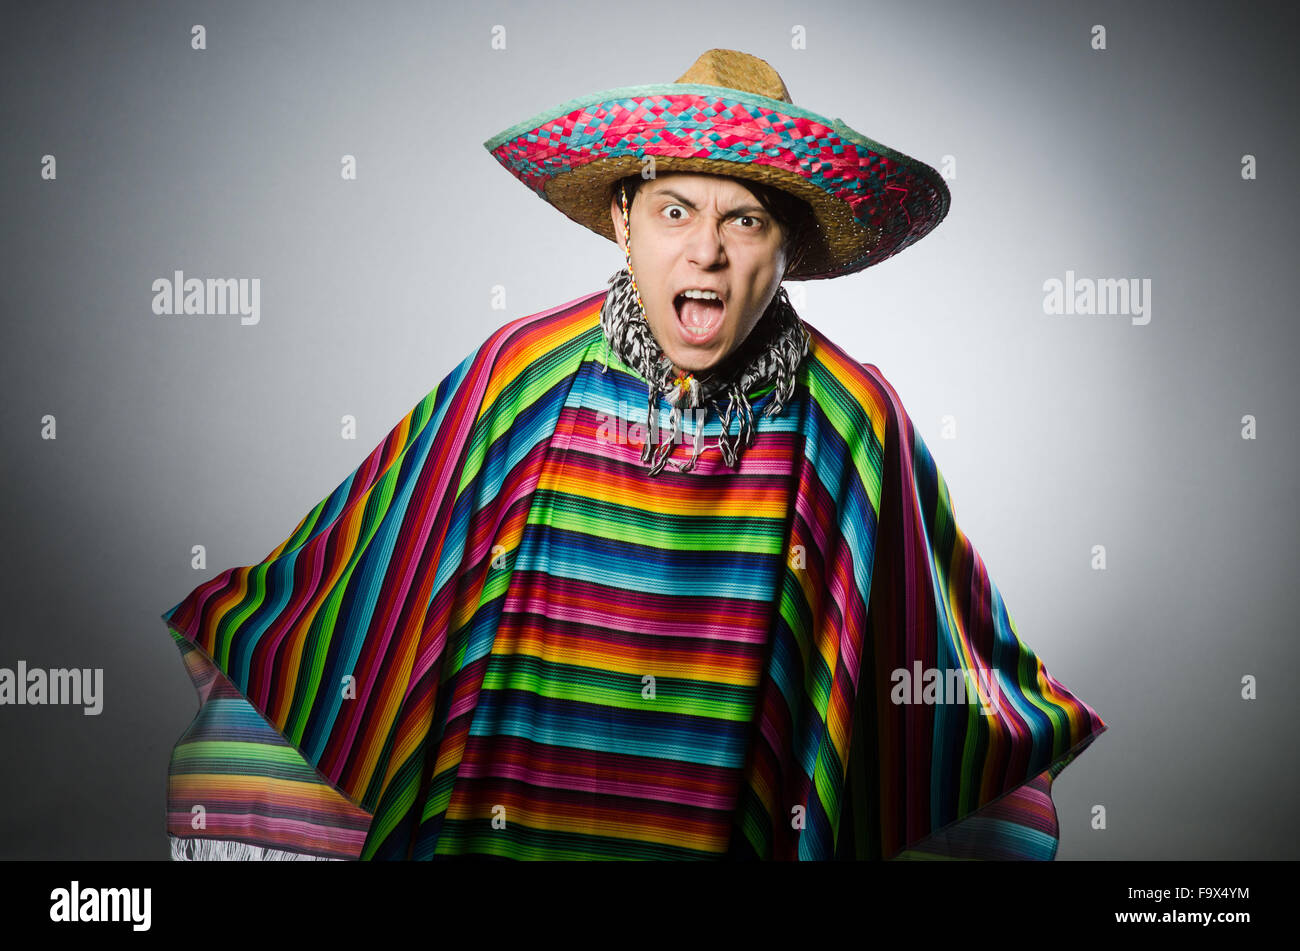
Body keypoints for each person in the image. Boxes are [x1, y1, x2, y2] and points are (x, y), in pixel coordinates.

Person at [163, 49, 1106, 860]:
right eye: (674, 210)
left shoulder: (853, 416)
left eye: (746, 220)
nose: (706, 252)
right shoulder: (523, 372)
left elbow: (907, 649)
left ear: (788, 247)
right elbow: (387, 581)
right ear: (623, 216)